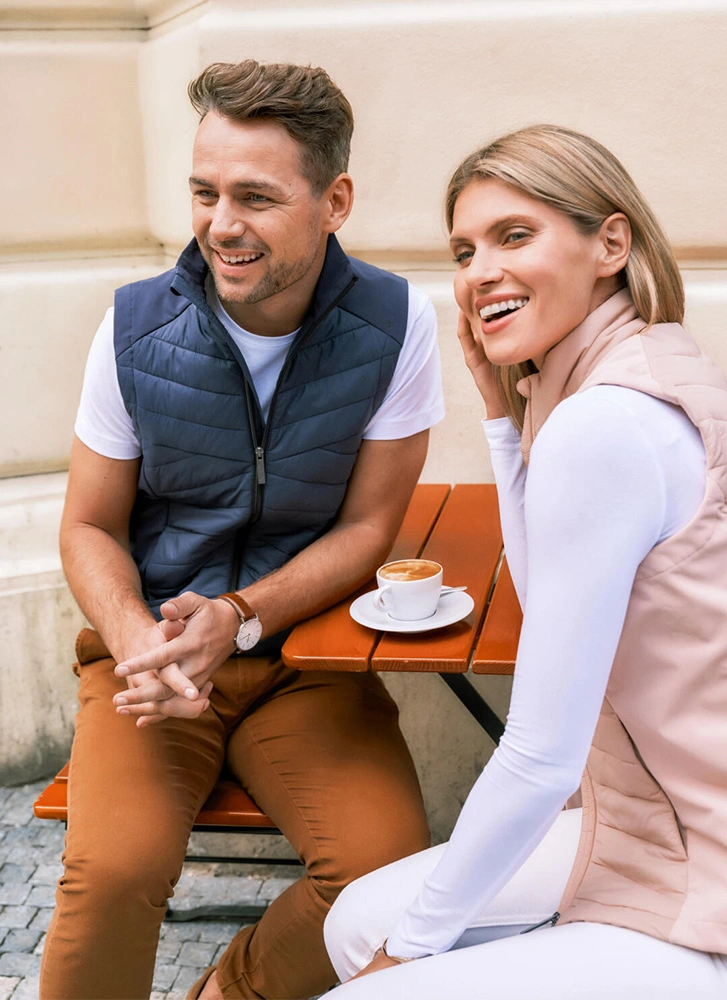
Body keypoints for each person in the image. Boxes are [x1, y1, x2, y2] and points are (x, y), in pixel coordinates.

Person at [322, 125, 727, 998]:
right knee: (355, 920)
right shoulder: (637, 365)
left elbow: (542, 758)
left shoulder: (604, 420)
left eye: (514, 235)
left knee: (379, 968)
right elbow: (547, 602)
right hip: (681, 817)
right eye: (465, 251)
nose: (480, 272)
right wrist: (502, 418)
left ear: (610, 244)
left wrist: (414, 949)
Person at [40, 60, 443, 1000]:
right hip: (152, 656)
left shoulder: (396, 324)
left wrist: (242, 615)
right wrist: (141, 645)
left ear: (334, 202)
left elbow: (370, 526)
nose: (222, 224)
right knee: (112, 877)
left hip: (308, 659)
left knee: (389, 886)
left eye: (256, 197)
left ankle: (230, 992)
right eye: (205, 192)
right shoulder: (133, 328)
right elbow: (88, 525)